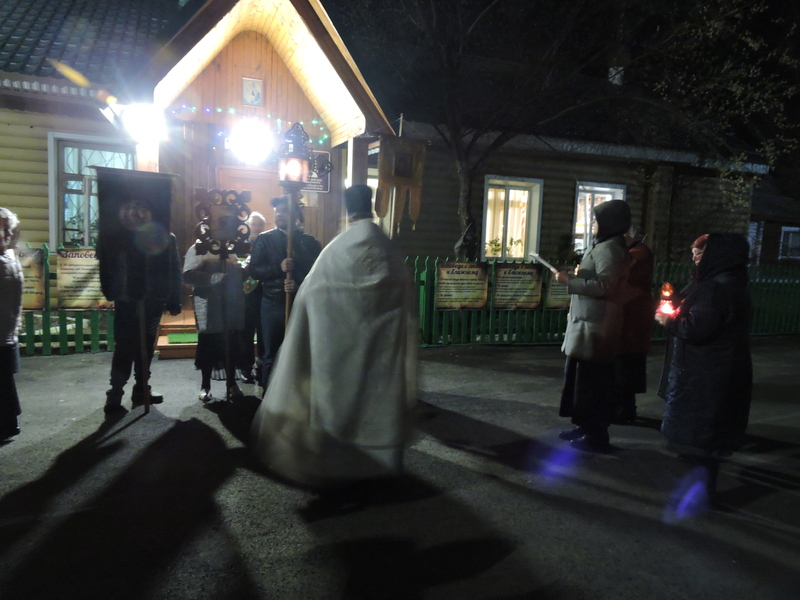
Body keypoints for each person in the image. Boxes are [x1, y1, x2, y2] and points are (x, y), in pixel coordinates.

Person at [251, 184, 418, 487]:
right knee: (373, 399)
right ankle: (378, 465)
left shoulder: (337, 249)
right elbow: (405, 295)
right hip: (380, 348)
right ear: (371, 206)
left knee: (340, 400)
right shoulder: (389, 250)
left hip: (339, 344)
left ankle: (340, 464)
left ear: (347, 210)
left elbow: (312, 291)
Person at [655, 233, 752, 497]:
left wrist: (668, 321)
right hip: (721, 368)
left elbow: (696, 328)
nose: (696, 258)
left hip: (706, 371)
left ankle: (700, 494)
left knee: (703, 437)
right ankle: (699, 487)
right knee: (708, 435)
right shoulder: (732, 282)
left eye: (702, 252)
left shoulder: (716, 288)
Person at [556, 199, 631, 452]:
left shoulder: (609, 248)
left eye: (597, 220)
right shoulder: (602, 245)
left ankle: (596, 435)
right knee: (582, 381)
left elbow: (606, 285)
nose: (593, 224)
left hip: (596, 326)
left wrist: (569, 281)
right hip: (588, 324)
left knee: (593, 383)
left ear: (610, 222)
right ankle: (585, 427)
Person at [102, 230, 182, 414]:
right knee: (125, 346)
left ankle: (141, 388)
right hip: (127, 299)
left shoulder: (165, 236)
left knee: (146, 346)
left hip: (154, 299)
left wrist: (174, 299)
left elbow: (173, 268)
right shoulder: (123, 234)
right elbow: (110, 264)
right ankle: (115, 393)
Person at [248, 196, 321, 391]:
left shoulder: (309, 242)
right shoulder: (265, 239)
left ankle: (296, 397)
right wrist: (278, 268)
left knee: (300, 351)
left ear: (296, 214)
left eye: (285, 211)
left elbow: (318, 273)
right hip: (272, 303)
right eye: (277, 211)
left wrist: (299, 285)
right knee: (271, 353)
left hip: (300, 303)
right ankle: (268, 398)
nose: (279, 214)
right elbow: (254, 270)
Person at [183, 241, 245, 402]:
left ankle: (231, 383)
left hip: (230, 303)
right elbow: (188, 274)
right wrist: (216, 277)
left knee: (231, 344)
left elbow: (238, 272)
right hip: (209, 303)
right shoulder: (199, 248)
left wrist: (242, 271)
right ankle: (205, 385)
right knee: (208, 345)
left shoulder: (229, 248)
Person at [612, 226, 655, 424]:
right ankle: (623, 408)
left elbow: (623, 276)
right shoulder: (635, 252)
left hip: (632, 318)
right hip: (631, 317)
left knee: (625, 364)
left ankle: (623, 410)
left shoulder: (637, 253)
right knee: (624, 364)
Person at [0, 208, 23, 439]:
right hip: (4, 330)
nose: (7, 233)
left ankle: (8, 423)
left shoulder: (8, 257)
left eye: (8, 228)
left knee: (5, 378)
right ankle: (8, 422)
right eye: (3, 228)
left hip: (6, 329)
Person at [239, 211, 267, 384]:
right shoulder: (240, 245)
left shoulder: (268, 243)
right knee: (246, 334)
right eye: (253, 224)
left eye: (260, 224)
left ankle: (262, 367)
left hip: (265, 295)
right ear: (247, 226)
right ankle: (245, 368)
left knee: (264, 334)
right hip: (245, 296)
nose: (256, 227)